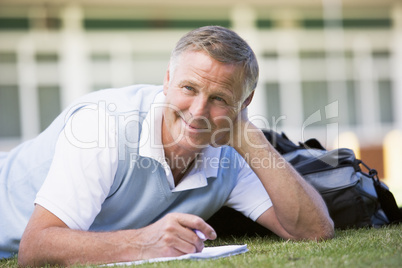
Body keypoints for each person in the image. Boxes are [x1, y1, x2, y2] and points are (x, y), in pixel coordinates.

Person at [0, 26, 334, 266]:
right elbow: (36, 248)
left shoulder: (231, 143)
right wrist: (145, 242)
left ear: (244, 102)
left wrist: (248, 135)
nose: (199, 111)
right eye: (189, 88)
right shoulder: (103, 126)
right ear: (167, 79)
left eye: (219, 98)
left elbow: (314, 231)